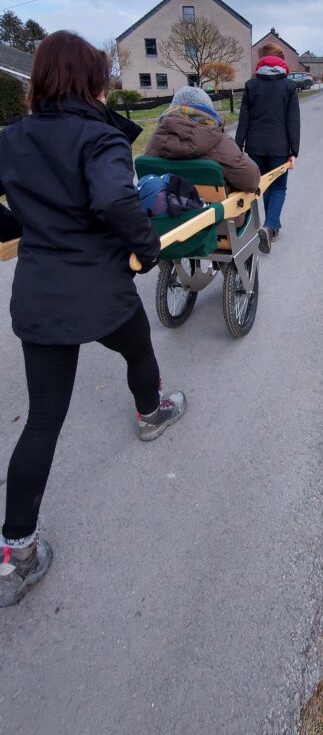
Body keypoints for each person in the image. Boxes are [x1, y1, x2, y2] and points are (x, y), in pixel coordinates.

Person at [0, 31, 187, 609]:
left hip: (41, 297)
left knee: (42, 420)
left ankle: (16, 554)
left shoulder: (11, 139)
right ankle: (151, 411)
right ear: (90, 82)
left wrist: (20, 228)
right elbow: (113, 200)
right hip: (102, 292)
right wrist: (149, 248)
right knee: (138, 350)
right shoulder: (100, 137)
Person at [235, 49, 300, 252]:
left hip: (255, 147)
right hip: (280, 148)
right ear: (281, 63)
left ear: (261, 63)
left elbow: (244, 118)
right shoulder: (289, 86)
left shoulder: (251, 85)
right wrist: (294, 151)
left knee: (263, 186)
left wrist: (238, 146)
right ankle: (270, 227)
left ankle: (272, 226)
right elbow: (293, 121)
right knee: (279, 188)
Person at [145, 85, 260, 191]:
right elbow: (251, 180)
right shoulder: (220, 141)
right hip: (215, 212)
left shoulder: (155, 140)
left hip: (164, 209)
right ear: (208, 111)